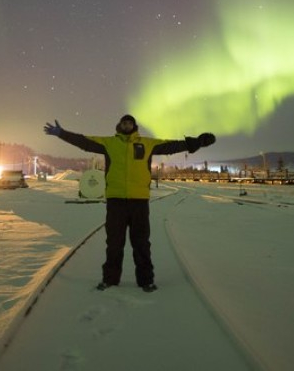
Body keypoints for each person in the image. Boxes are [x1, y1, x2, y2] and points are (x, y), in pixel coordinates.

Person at [44, 114, 215, 292]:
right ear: (120, 125)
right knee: (114, 243)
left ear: (134, 126)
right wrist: (62, 133)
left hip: (139, 201)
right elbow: (84, 142)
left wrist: (197, 142)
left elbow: (172, 145)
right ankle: (110, 280)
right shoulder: (109, 143)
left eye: (130, 122)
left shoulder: (147, 144)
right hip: (116, 201)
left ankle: (146, 281)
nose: (127, 125)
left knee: (141, 243)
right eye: (124, 122)